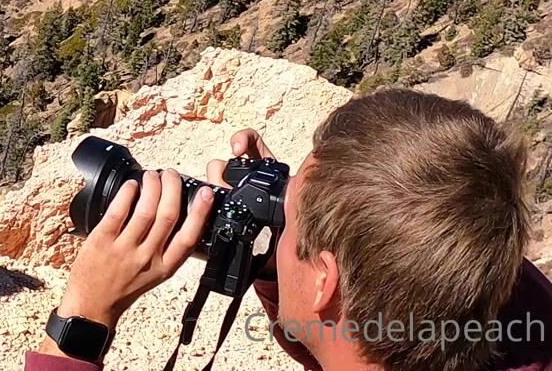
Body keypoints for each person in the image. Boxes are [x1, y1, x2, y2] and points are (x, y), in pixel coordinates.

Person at [27, 89, 552, 371]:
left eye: (287, 221)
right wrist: (275, 248)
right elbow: (340, 334)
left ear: (324, 280)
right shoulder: (497, 288)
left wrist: (83, 321)